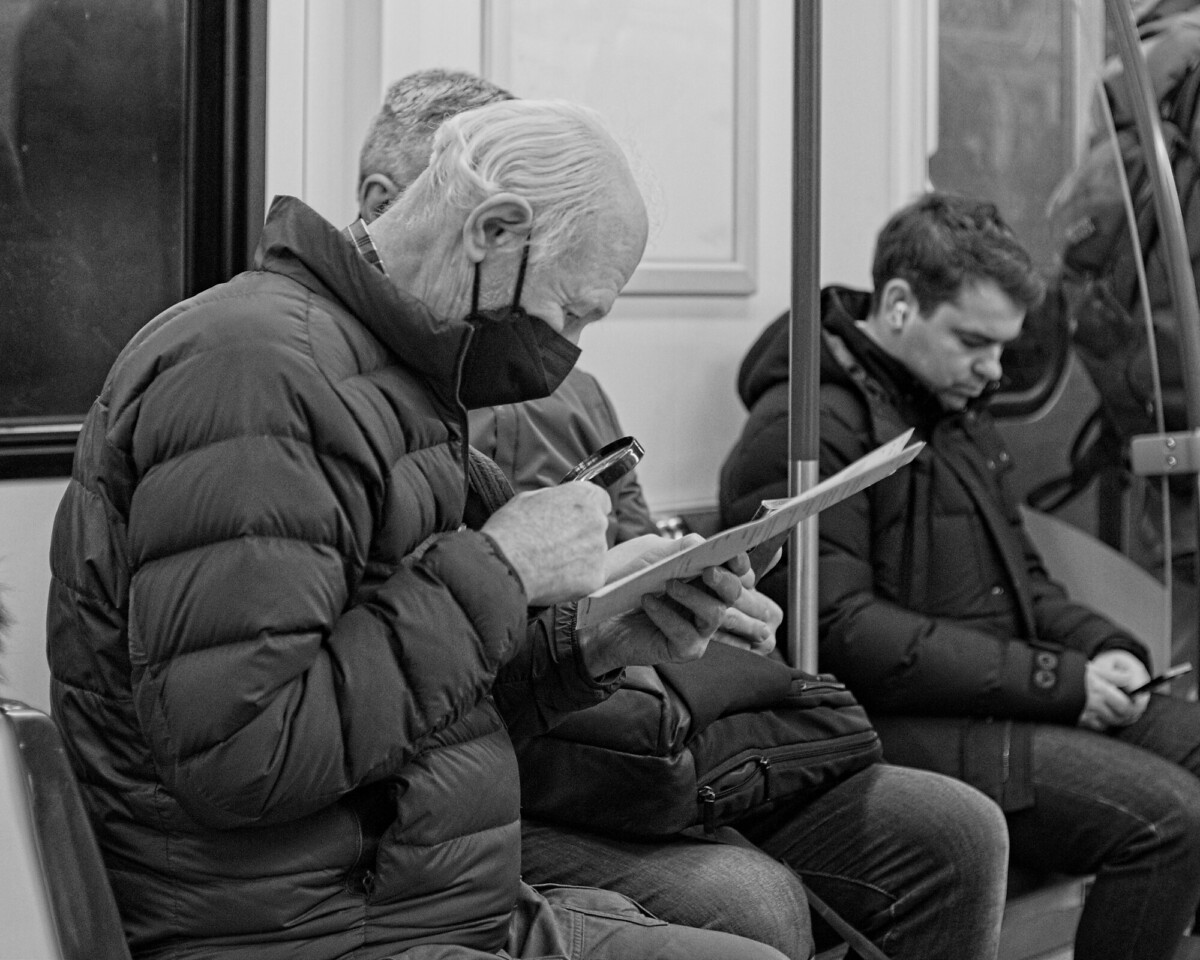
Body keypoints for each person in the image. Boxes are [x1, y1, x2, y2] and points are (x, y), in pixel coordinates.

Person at [46, 98, 790, 960]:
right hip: (298, 928)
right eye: (576, 310)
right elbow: (246, 757)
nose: (572, 348)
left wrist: (595, 639)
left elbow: (419, 716)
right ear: (495, 232)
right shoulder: (253, 375)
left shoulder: (390, 380)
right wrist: (505, 565)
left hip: (416, 899)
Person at [354, 70, 1013, 960]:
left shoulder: (566, 387)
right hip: (532, 768)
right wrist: (523, 576)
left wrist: (664, 582)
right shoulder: (345, 397)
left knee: (953, 828)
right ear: (401, 207)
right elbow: (342, 704)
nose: (563, 336)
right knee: (752, 900)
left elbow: (620, 536)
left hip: (620, 717)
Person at [719, 190, 1200, 960]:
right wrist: (1057, 681)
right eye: (975, 342)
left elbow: (1025, 579)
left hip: (991, 696)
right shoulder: (804, 429)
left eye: (1004, 348)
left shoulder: (951, 414)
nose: (994, 370)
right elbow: (839, 635)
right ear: (901, 305)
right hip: (883, 726)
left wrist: (1107, 650)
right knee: (1166, 821)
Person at [359, 68, 657, 549]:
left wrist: (613, 613)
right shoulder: (302, 376)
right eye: (436, 186)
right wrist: (514, 567)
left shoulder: (580, 394)